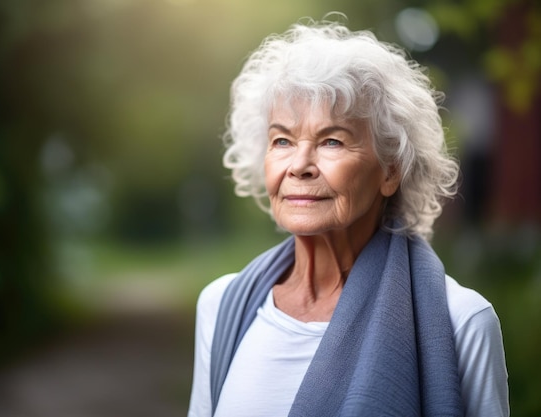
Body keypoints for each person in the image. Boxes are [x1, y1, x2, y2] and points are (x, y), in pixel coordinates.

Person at [188, 15, 509, 417]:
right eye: (282, 140)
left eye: (332, 140)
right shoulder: (221, 306)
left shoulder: (462, 323)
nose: (299, 165)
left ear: (390, 170)